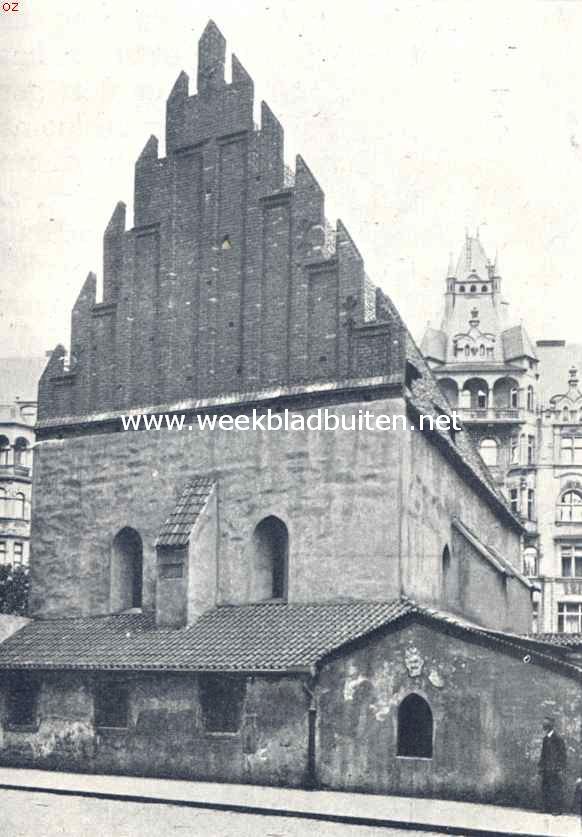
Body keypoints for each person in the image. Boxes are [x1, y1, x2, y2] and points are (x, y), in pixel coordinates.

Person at [538, 716, 567, 814]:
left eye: (546, 723)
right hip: (546, 768)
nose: (544, 725)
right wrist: (541, 766)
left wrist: (560, 767)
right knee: (546, 788)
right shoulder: (545, 739)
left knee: (556, 789)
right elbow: (543, 754)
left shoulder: (558, 739)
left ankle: (557, 810)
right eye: (544, 723)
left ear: (551, 725)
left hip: (555, 769)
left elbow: (563, 754)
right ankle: (546, 808)